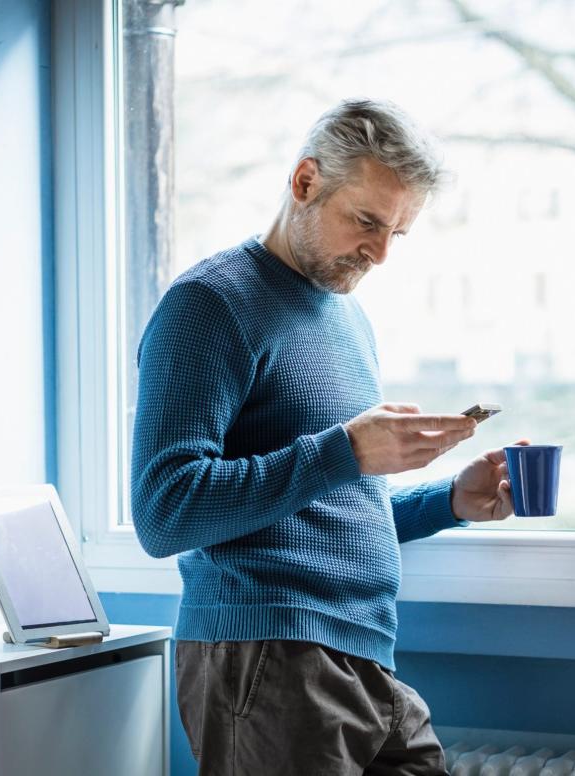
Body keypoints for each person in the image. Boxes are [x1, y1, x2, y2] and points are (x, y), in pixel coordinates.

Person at [131, 98, 529, 776]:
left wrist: (448, 502)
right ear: (304, 182)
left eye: (396, 233)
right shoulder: (209, 305)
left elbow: (325, 512)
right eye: (366, 222)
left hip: (363, 659)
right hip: (266, 655)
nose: (377, 254)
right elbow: (165, 512)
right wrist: (346, 450)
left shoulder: (347, 320)